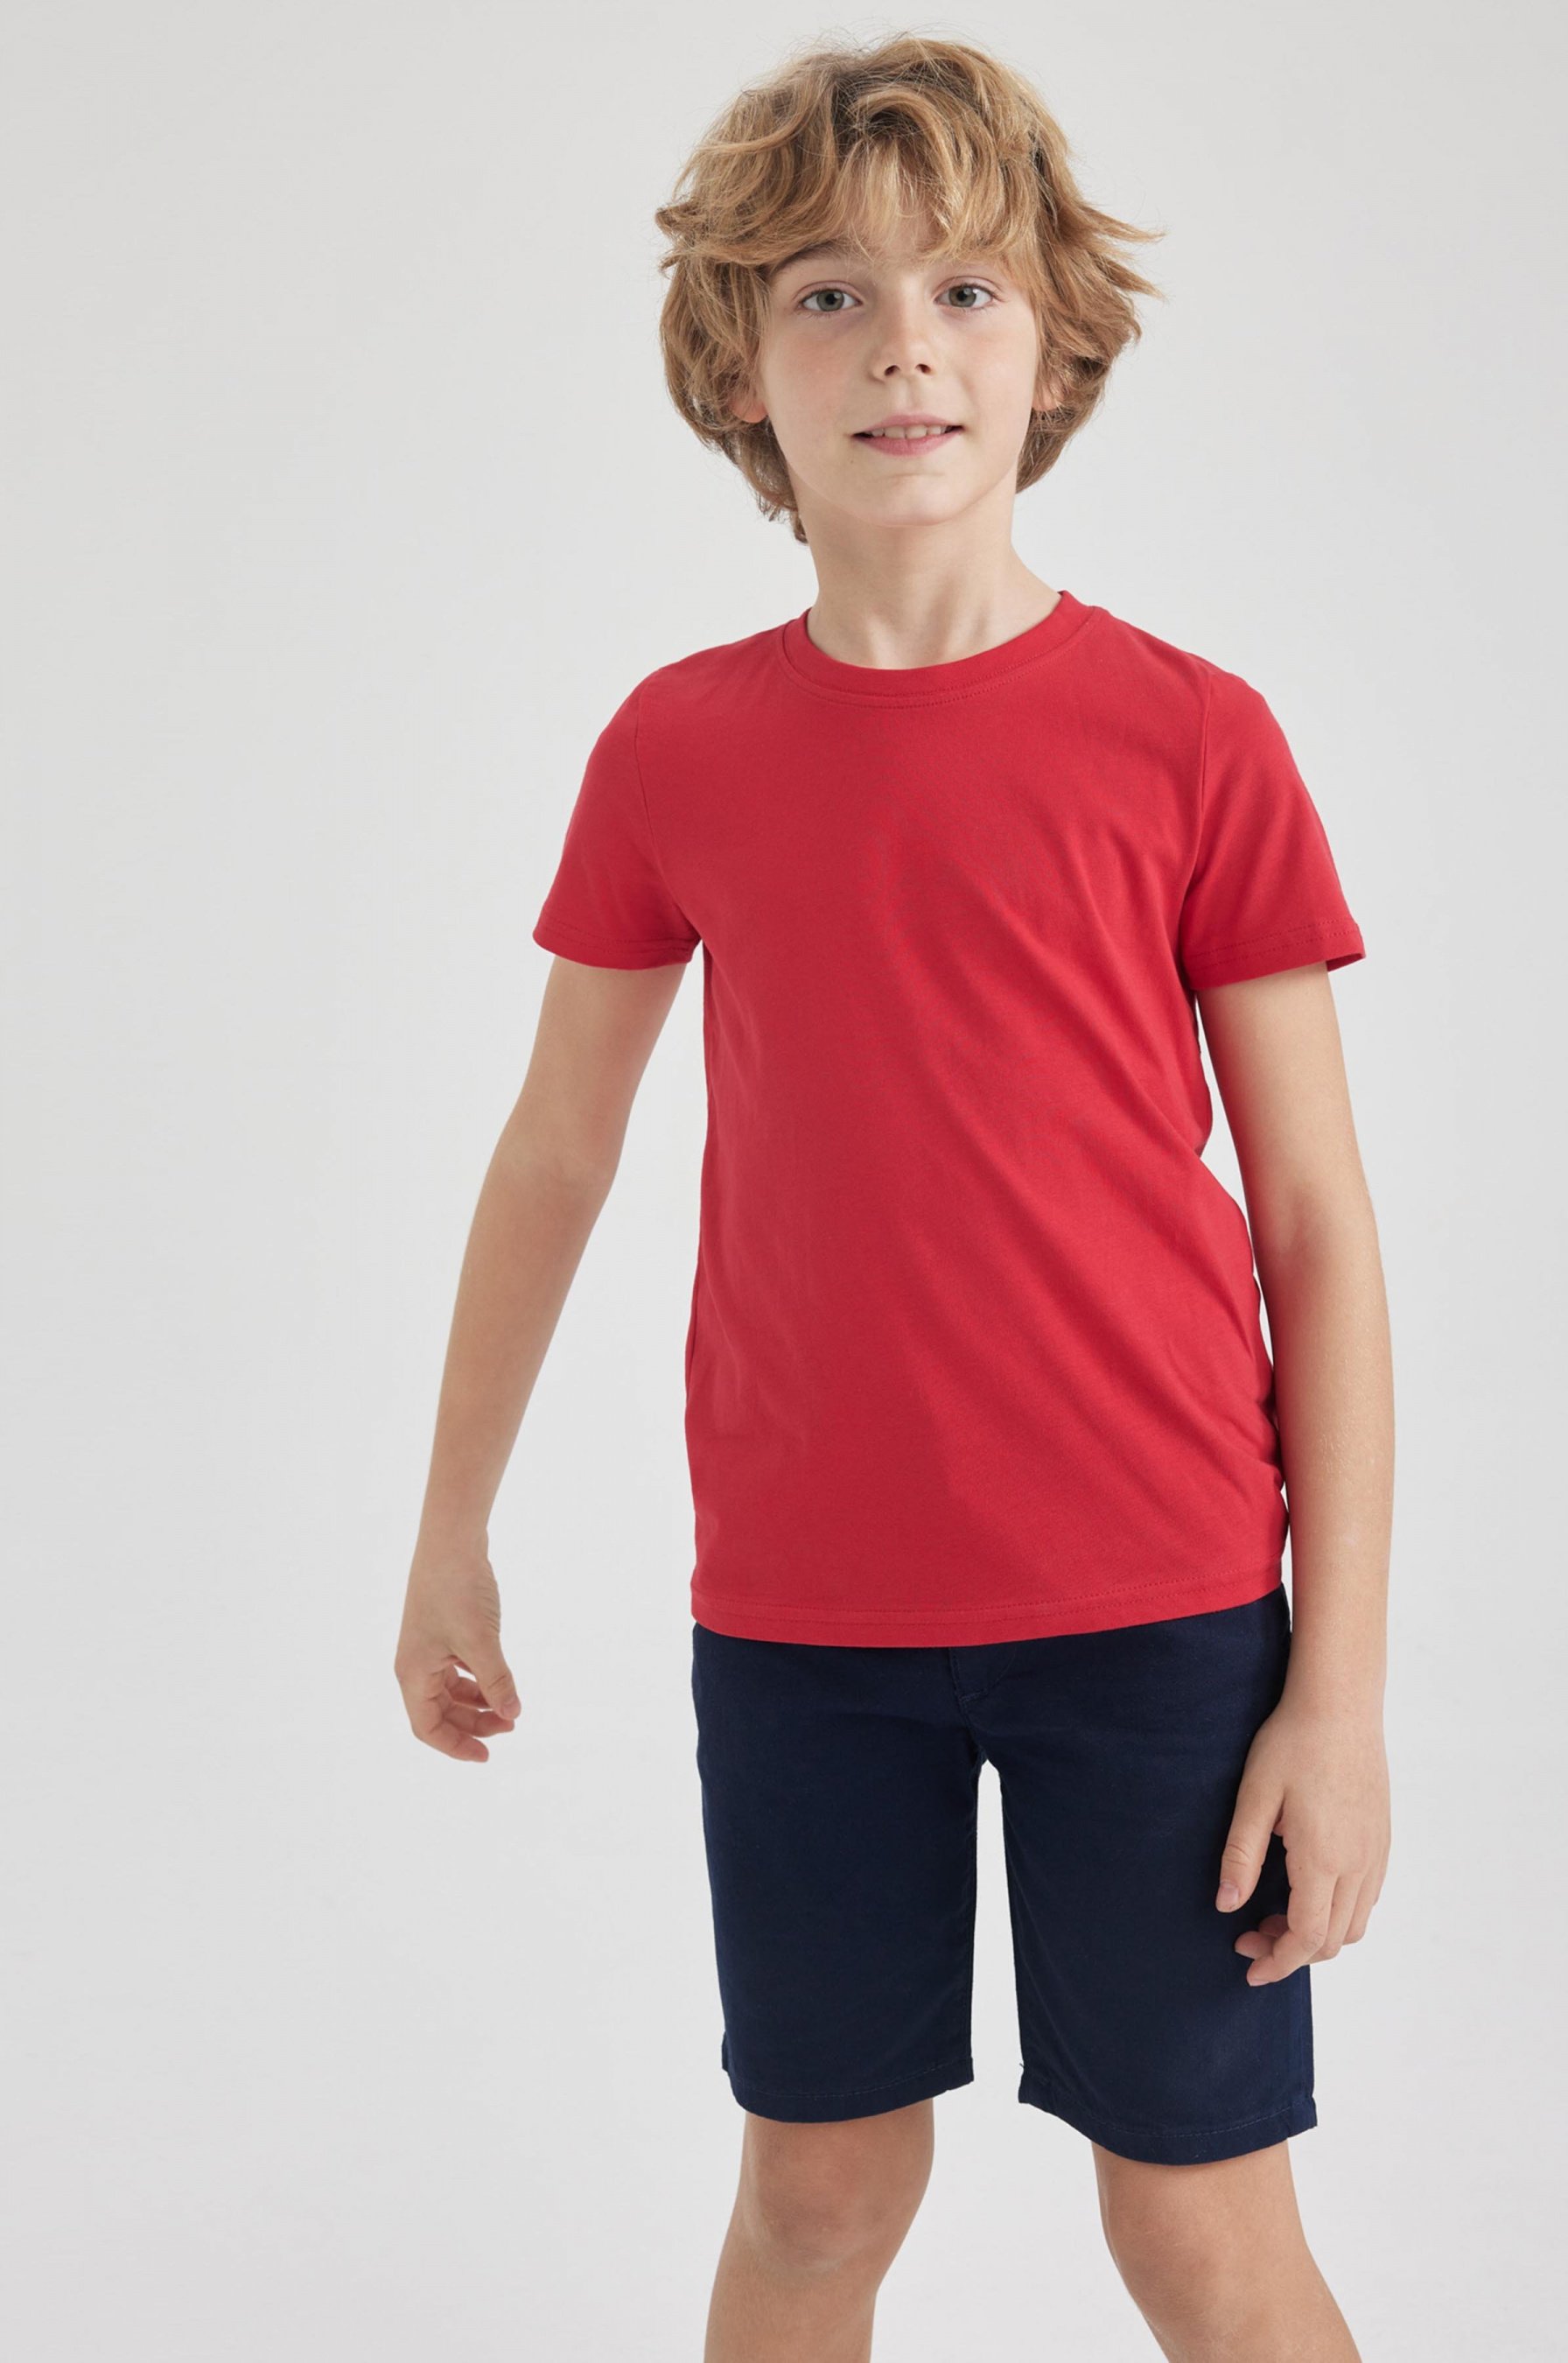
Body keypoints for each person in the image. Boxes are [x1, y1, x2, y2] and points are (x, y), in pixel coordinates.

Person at [394, 32, 1392, 2361]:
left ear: (1051, 349)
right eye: (828, 295)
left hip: (1157, 1605)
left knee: (1198, 2228)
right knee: (817, 2196)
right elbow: (556, 1150)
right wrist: (450, 1524)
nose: (902, 346)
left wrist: (1332, 1692)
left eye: (961, 288)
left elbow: (1319, 1226)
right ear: (741, 372)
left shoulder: (1194, 737)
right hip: (805, 1616)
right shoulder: (677, 746)